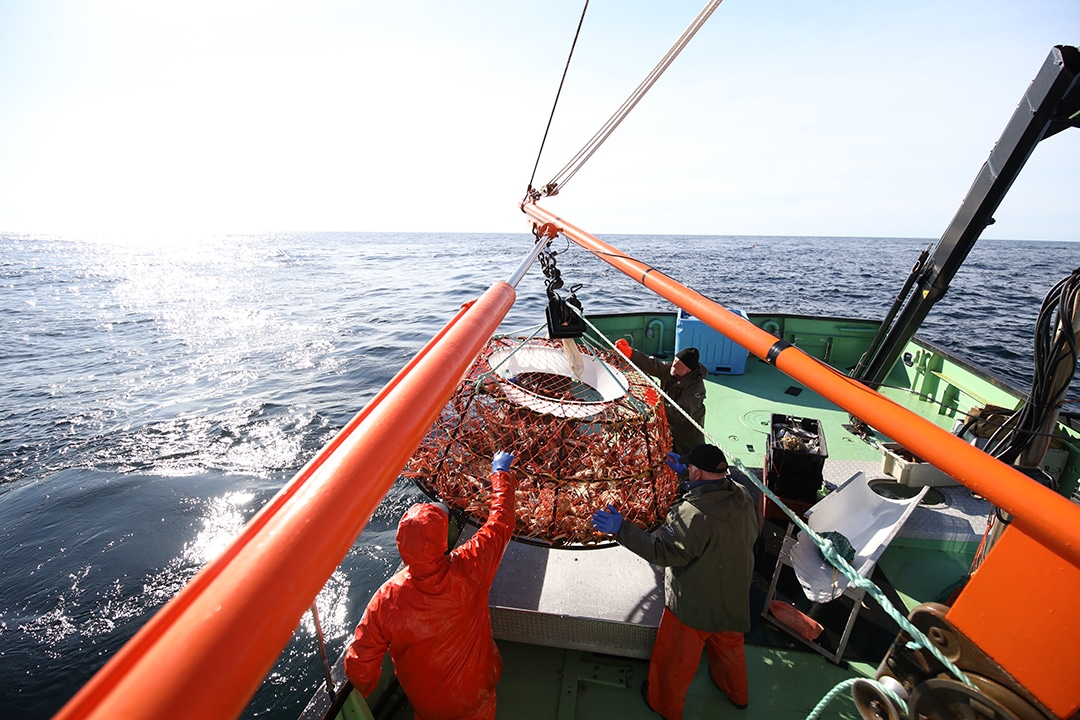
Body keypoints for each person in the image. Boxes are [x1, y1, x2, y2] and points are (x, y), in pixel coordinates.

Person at [344, 451, 517, 720]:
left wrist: (368, 686)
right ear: (443, 541)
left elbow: (358, 666)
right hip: (476, 699)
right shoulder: (470, 566)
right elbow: (501, 521)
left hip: (427, 707)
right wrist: (501, 474)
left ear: (402, 544)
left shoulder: (386, 598)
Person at [591, 443, 758, 718]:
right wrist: (686, 476)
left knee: (675, 661)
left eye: (690, 467)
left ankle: (664, 705)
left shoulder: (692, 514)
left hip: (694, 604)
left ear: (698, 473)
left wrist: (622, 529)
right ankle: (737, 693)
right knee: (730, 649)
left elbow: (662, 553)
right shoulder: (742, 496)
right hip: (735, 594)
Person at [615, 339, 706, 455]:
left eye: (679, 364)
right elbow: (651, 364)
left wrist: (655, 402)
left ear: (688, 370)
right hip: (666, 427)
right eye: (675, 360)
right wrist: (630, 353)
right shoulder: (671, 371)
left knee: (689, 458)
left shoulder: (695, 389)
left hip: (686, 433)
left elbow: (682, 413)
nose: (674, 365)